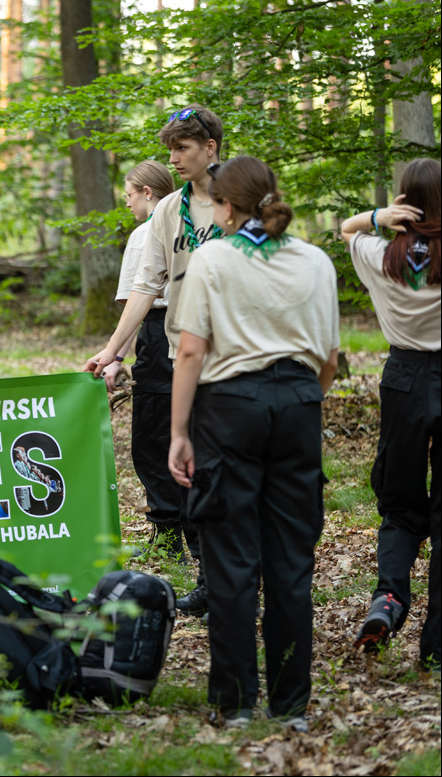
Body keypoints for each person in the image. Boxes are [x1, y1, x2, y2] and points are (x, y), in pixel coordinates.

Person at [168, 156, 338, 730]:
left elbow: (191, 351)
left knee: (231, 558)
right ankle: (291, 707)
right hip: (297, 405)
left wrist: (179, 432)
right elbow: (329, 359)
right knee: (290, 561)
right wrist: (298, 402)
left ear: (226, 207)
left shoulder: (213, 258)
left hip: (230, 409)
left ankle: (235, 702)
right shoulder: (314, 260)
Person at [83, 105, 226, 616]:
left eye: (182, 149)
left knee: (227, 471)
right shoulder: (168, 211)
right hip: (179, 356)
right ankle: (211, 580)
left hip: (235, 359)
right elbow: (146, 286)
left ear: (210, 147)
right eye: (171, 151)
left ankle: (241, 579)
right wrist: (112, 350)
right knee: (192, 468)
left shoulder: (244, 198)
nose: (174, 160)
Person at [339, 158, 440, 669]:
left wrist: (379, 217)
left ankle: (389, 600)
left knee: (399, 504)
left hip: (403, 379)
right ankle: (436, 645)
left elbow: (346, 228)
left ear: (404, 202)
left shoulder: (380, 254)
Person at [99, 161, 184, 559]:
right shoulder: (195, 225)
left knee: (151, 439)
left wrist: (114, 354)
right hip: (198, 337)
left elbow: (139, 302)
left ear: (148, 193)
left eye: (130, 195)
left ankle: (168, 537)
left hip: (158, 338)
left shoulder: (144, 234)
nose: (128, 203)